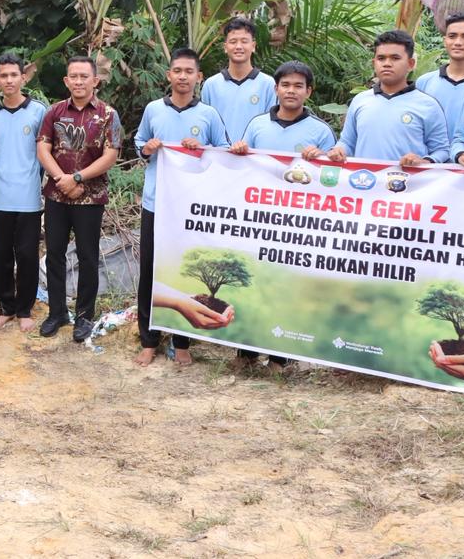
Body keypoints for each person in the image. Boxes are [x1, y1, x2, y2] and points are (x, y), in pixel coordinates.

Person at [228, 60, 336, 371]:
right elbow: (242, 168)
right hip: (260, 220)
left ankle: (280, 358)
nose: (291, 91)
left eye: (298, 86)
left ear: (309, 91)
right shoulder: (257, 125)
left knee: (289, 287)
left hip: (299, 224)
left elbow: (334, 178)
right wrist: (239, 151)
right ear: (275, 89)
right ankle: (246, 352)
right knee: (253, 282)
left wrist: (323, 159)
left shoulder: (320, 131)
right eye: (285, 85)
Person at [134, 48, 229, 367]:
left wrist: (202, 149)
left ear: (199, 77)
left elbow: (223, 153)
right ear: (169, 75)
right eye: (178, 71)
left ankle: (181, 342)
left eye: (189, 71)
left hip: (190, 207)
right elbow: (139, 143)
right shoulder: (153, 109)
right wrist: (147, 149)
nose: (183, 76)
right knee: (150, 271)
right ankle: (148, 341)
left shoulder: (209, 115)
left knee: (184, 272)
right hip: (156, 202)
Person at [36, 55, 122, 342]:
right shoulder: (54, 112)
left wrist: (77, 178)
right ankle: (57, 312)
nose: (79, 81)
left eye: (84, 76)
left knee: (87, 256)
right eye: (73, 76)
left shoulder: (108, 114)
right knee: (55, 255)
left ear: (95, 80)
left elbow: (111, 154)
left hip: (90, 198)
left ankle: (84, 316)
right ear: (66, 80)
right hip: (56, 196)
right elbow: (43, 148)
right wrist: (61, 178)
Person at [0, 53, 47, 333]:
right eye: (3, 75)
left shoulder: (39, 112)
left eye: (13, 75)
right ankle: (5, 307)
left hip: (29, 197)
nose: (9, 80)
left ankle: (25, 309)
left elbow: (46, 152)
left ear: (23, 77)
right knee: (2, 254)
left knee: (27, 254)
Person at [327, 30, 450, 165]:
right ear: (374, 63)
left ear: (410, 64)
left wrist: (424, 161)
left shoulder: (428, 105)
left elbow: (442, 150)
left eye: (395, 58)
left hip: (408, 178)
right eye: (381, 58)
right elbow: (347, 142)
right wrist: (338, 150)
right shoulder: (360, 100)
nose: (387, 63)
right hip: (364, 177)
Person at [415, 13, 464, 165]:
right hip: (428, 166)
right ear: (445, 40)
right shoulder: (424, 82)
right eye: (452, 36)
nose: (458, 42)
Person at [201, 16, 276, 147]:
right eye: (233, 41)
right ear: (225, 47)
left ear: (253, 46)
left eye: (244, 41)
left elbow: (271, 127)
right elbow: (205, 127)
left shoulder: (268, 84)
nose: (239, 46)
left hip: (254, 156)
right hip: (219, 156)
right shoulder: (211, 85)